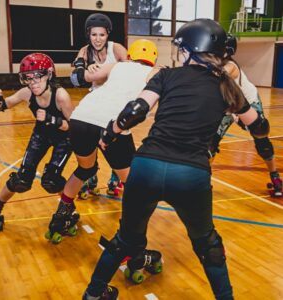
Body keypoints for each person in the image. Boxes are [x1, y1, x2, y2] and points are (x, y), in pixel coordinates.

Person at [82, 19, 271, 300]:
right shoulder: (227, 85)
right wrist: (248, 123)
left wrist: (110, 134)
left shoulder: (166, 76)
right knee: (209, 246)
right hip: (190, 173)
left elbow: (133, 111)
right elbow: (260, 127)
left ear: (190, 51)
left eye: (181, 49)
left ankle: (93, 294)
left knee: (125, 239)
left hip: (147, 165)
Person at [45, 39, 159, 243]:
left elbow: (81, 78)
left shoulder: (117, 65)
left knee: (85, 169)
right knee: (133, 184)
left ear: (130, 55)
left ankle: (61, 216)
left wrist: (82, 62)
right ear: (154, 59)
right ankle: (128, 238)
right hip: (112, 124)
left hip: (80, 118)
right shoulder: (155, 72)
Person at [0, 53, 73, 235]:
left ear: (49, 75)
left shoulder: (61, 96)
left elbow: (75, 128)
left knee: (51, 180)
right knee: (22, 179)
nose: (33, 83)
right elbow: (4, 106)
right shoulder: (27, 93)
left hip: (64, 137)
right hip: (41, 134)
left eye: (37, 77)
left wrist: (52, 119)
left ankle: (68, 208)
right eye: (28, 78)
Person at [208, 34, 282, 197]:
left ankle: (276, 177)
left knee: (261, 140)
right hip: (228, 108)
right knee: (210, 143)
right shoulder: (215, 63)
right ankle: (204, 181)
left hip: (247, 103)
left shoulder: (230, 66)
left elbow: (218, 76)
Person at [74, 12, 128, 197]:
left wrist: (107, 72)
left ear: (108, 35)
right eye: (94, 34)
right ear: (88, 34)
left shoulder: (117, 49)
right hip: (96, 103)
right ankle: (91, 178)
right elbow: (76, 79)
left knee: (115, 142)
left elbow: (131, 72)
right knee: (92, 142)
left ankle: (115, 179)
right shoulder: (84, 51)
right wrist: (85, 69)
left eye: (102, 35)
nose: (97, 39)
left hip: (116, 104)